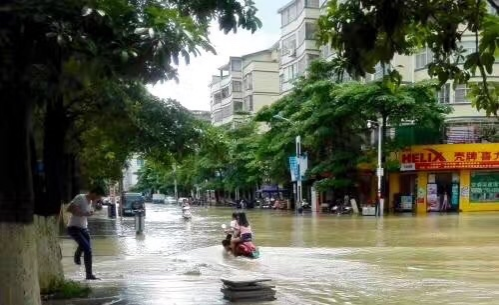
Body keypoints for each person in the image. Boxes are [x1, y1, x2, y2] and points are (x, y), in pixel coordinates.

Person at [66, 186, 105, 280]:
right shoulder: (80, 197)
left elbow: (89, 211)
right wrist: (84, 213)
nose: (99, 199)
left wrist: (94, 209)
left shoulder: (91, 201)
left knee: (88, 249)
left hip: (84, 228)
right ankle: (78, 256)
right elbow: (69, 209)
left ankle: (89, 274)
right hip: (73, 228)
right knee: (87, 249)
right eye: (98, 197)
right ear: (94, 193)